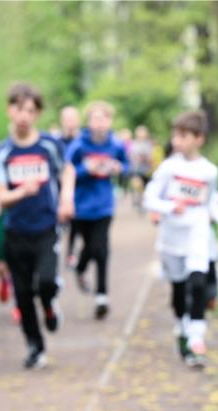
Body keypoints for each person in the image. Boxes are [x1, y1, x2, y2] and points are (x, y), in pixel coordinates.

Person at [144, 109, 218, 368]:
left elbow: (211, 203)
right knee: (179, 292)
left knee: (198, 284)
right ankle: (182, 326)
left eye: (183, 135)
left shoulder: (209, 171)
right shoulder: (169, 167)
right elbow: (151, 198)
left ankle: (196, 338)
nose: (177, 140)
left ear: (199, 138)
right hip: (172, 239)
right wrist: (171, 207)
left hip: (197, 236)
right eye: (175, 135)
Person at [0, 83, 65, 370]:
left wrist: (67, 198)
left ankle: (48, 304)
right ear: (10, 110)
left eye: (31, 111)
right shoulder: (2, 152)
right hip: (15, 231)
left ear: (38, 114)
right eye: (19, 109)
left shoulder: (49, 145)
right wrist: (21, 191)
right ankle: (35, 345)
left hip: (46, 228)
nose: (24, 116)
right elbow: (0, 195)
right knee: (22, 294)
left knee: (45, 282)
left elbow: (66, 171)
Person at [58, 100, 128, 320]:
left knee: (102, 250)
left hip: (104, 206)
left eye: (103, 118)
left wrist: (118, 168)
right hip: (81, 206)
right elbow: (67, 172)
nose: (99, 123)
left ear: (110, 121)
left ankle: (102, 296)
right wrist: (86, 169)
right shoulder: (79, 145)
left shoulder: (115, 145)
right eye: (95, 119)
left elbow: (126, 165)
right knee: (89, 247)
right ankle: (80, 267)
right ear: (88, 122)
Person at [55, 105, 83, 269]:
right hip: (59, 189)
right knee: (59, 222)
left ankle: (70, 253)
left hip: (80, 189)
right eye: (67, 119)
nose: (70, 123)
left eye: (73, 119)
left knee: (75, 224)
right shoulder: (56, 142)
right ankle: (55, 249)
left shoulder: (83, 142)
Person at [128, 125, 155, 212]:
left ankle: (142, 203)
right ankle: (137, 202)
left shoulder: (148, 144)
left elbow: (151, 157)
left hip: (145, 169)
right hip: (135, 169)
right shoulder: (133, 144)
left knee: (144, 187)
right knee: (137, 185)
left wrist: (146, 159)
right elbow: (130, 155)